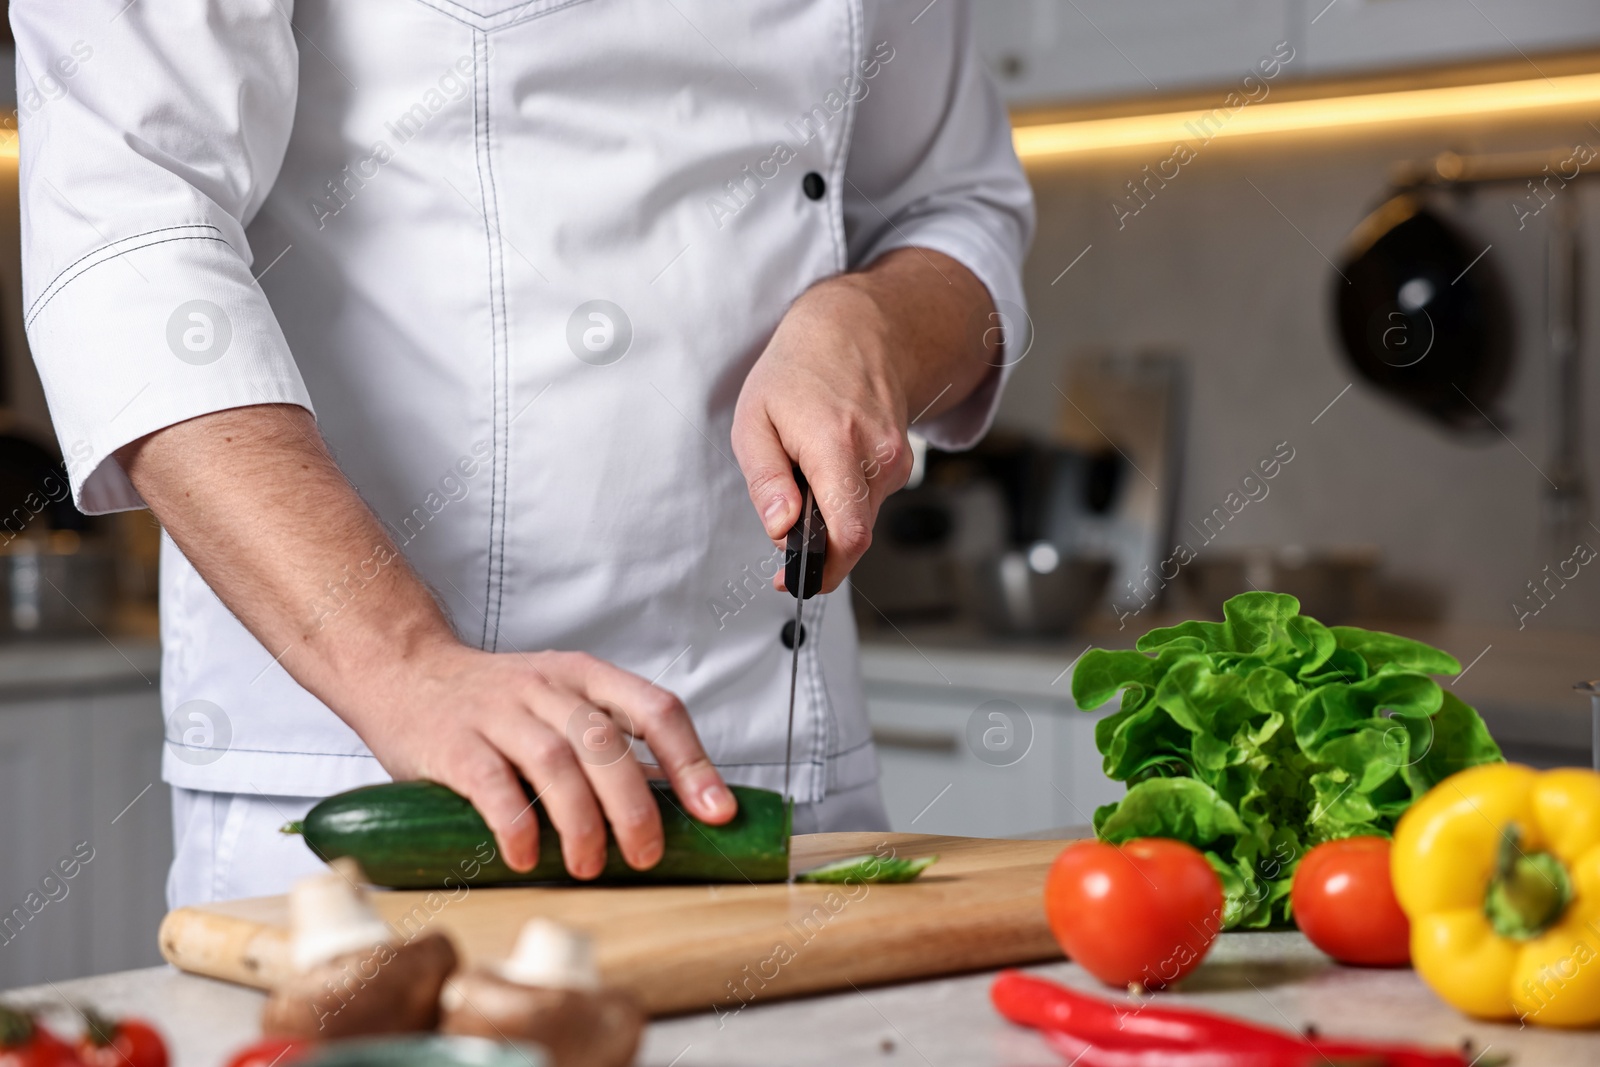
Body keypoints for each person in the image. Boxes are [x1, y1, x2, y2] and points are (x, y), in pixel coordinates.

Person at [12, 0, 1033, 907]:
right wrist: (403, 663)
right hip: (393, 782)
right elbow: (130, 231)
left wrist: (876, 324)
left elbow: (958, 209)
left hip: (779, 783)